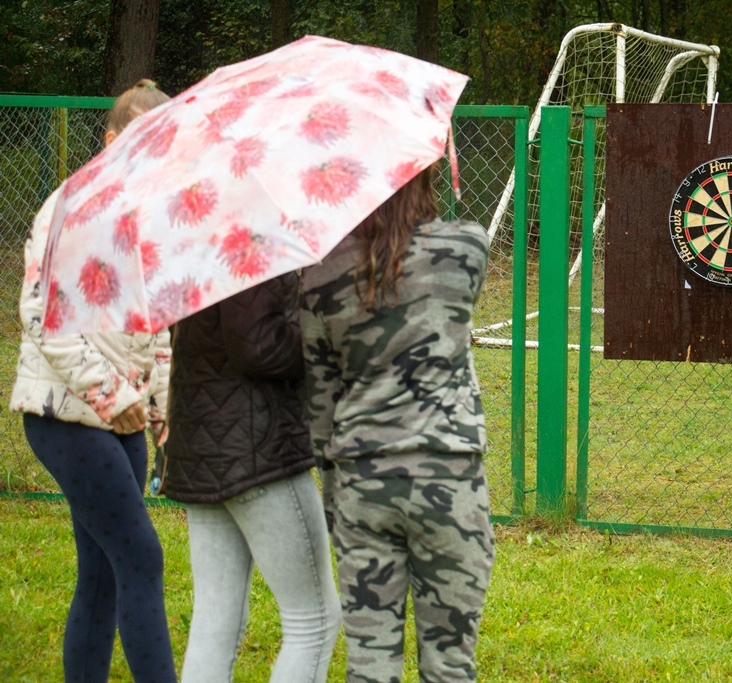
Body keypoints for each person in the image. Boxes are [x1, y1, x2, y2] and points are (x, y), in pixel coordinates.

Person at [10, 79, 177, 683]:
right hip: (64, 417)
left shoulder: (140, 219)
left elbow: (153, 324)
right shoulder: (68, 208)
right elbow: (38, 315)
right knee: (141, 556)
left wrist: (159, 409)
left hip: (121, 419)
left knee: (103, 572)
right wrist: (116, 397)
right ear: (109, 140)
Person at [301, 164, 495, 683]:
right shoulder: (465, 249)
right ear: (422, 176)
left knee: (369, 663)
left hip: (362, 481)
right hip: (449, 478)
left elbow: (320, 405)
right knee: (450, 663)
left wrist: (332, 497)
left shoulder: (319, 277)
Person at [160, 272, 342, 681]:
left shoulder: (200, 244)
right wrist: (322, 330)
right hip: (258, 450)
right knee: (314, 618)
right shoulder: (248, 242)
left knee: (216, 617)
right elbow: (258, 347)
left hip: (206, 446)